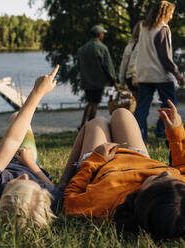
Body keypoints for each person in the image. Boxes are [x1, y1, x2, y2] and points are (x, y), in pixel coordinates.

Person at [60, 102, 185, 238]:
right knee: (121, 113)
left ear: (143, 195)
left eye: (159, 178)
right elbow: (182, 167)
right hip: (137, 156)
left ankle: (62, 182)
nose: (166, 172)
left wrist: (95, 160)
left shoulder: (106, 203)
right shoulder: (178, 193)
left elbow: (70, 202)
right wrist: (175, 132)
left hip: (101, 163)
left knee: (96, 123)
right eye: (174, 179)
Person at [0, 66, 63, 228]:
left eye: (18, 183)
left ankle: (16, 119)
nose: (24, 177)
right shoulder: (44, 201)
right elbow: (52, 187)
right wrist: (32, 166)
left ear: (0, 201)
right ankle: (17, 120)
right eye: (33, 184)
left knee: (17, 119)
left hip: (3, 163)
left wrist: (37, 92)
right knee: (19, 120)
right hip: (30, 163)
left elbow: (11, 141)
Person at [134, 1, 185, 141]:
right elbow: (165, 57)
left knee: (142, 107)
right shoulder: (162, 29)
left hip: (144, 74)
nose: (172, 17)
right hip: (160, 75)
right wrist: (177, 73)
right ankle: (162, 131)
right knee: (169, 105)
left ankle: (138, 136)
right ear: (166, 13)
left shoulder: (144, 28)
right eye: (172, 14)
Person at [77, 25, 118, 130]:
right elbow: (108, 66)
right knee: (94, 104)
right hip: (97, 81)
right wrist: (114, 81)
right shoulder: (102, 48)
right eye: (102, 33)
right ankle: (89, 126)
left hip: (86, 81)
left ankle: (82, 124)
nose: (103, 35)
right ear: (99, 34)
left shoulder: (82, 49)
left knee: (90, 102)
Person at [118, 21, 143, 100]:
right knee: (143, 103)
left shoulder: (129, 46)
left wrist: (122, 82)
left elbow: (124, 64)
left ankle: (135, 112)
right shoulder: (146, 45)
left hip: (130, 77)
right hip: (141, 77)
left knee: (136, 102)